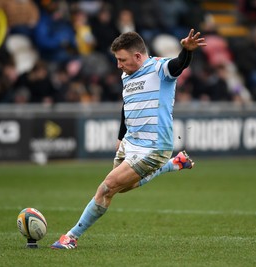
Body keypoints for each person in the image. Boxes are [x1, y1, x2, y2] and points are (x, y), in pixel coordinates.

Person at [51, 29, 207, 249]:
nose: (118, 65)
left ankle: (71, 237)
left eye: (121, 59)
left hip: (154, 147)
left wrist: (187, 51)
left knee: (106, 188)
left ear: (137, 56)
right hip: (130, 143)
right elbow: (126, 106)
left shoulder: (159, 68)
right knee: (122, 188)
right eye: (117, 59)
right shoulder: (126, 75)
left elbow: (179, 65)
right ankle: (173, 164)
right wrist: (121, 136)